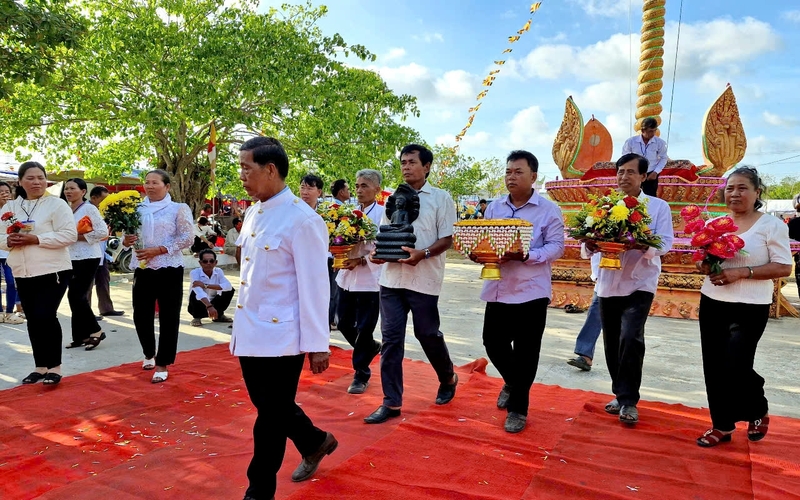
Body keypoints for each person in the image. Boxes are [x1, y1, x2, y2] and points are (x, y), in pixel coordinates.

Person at [232, 136, 336, 500]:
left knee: (270, 418)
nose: (241, 175)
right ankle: (314, 441)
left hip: (282, 335)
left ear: (271, 169)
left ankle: (258, 491)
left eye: (247, 167)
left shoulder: (303, 220)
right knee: (270, 407)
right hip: (249, 330)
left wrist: (317, 344)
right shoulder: (252, 212)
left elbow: (315, 287)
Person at [695, 167, 792, 447]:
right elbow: (703, 259)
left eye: (742, 188)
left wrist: (742, 272)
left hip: (751, 305)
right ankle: (721, 426)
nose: (735, 193)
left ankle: (757, 408)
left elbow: (784, 266)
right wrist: (703, 264)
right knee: (714, 365)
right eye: (730, 188)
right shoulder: (716, 224)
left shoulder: (771, 226)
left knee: (737, 363)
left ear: (757, 192)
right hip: (713, 301)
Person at [365, 144, 459, 424]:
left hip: (424, 278)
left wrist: (424, 253)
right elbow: (384, 234)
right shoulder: (393, 198)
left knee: (427, 333)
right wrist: (377, 253)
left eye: (412, 162)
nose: (406, 167)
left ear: (427, 166)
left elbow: (447, 238)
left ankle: (448, 377)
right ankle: (391, 403)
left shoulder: (441, 198)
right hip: (391, 279)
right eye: (403, 162)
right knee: (391, 340)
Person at [477, 150, 565, 433]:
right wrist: (478, 252)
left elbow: (556, 247)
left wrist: (527, 255)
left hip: (532, 290)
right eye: (508, 172)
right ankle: (514, 384)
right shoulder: (494, 208)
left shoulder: (548, 209)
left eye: (518, 172)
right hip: (499, 287)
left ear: (534, 177)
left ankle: (518, 409)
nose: (510, 177)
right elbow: (485, 239)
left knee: (527, 352)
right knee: (492, 342)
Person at [583, 153, 674, 425]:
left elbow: (666, 244)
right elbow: (587, 242)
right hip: (607, 281)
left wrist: (641, 244)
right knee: (612, 341)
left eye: (631, 172)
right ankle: (620, 394)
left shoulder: (657, 207)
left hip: (640, 282)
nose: (624, 177)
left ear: (644, 177)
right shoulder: (604, 205)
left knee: (631, 338)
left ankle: (629, 401)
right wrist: (590, 244)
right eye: (620, 171)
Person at [0, 162, 77, 385]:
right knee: (33, 319)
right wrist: (9, 241)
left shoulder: (57, 205)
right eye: (31, 178)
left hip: (53, 270)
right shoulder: (9, 208)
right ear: (21, 181)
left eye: (40, 178)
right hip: (23, 271)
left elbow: (69, 235)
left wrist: (37, 239)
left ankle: (55, 367)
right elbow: (0, 237)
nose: (36, 182)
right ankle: (40, 367)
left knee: (46, 316)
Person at [123, 170, 193, 384]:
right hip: (143, 267)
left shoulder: (178, 209)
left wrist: (160, 250)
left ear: (167, 186)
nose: (150, 186)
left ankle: (163, 363)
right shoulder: (135, 209)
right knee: (141, 314)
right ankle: (148, 353)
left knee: (168, 316)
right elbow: (128, 237)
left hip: (169, 267)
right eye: (147, 182)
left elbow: (187, 238)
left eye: (155, 182)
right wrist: (127, 240)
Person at [335, 169, 385, 394]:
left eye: (364, 185)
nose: (359, 190)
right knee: (343, 322)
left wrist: (362, 260)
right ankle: (371, 347)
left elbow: (383, 248)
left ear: (376, 189)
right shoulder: (346, 213)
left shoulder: (383, 215)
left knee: (365, 327)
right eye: (356, 186)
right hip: (346, 276)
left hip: (370, 280)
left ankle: (361, 373)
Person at [62, 178, 109, 350]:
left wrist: (75, 237)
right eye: (66, 188)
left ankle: (96, 331)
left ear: (82, 192)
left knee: (76, 295)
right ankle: (80, 336)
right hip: (70, 258)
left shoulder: (88, 208)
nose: (68, 191)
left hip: (88, 257)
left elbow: (103, 232)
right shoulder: (66, 210)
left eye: (72, 188)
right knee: (74, 297)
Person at [87, 186, 124, 317]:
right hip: (88, 252)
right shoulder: (86, 210)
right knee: (88, 284)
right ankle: (87, 313)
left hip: (101, 252)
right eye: (103, 199)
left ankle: (106, 308)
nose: (106, 203)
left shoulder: (103, 211)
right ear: (94, 198)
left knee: (103, 279)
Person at [566, 253, 602, 371]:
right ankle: (585, 355)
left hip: (633, 281)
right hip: (605, 279)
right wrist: (596, 274)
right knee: (594, 314)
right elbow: (595, 250)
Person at [621, 117, 668, 197]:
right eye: (650, 131)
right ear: (643, 130)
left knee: (650, 198)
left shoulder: (660, 143)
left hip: (651, 174)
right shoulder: (631, 142)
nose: (653, 134)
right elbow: (625, 158)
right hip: (635, 173)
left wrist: (655, 172)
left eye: (654, 131)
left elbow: (663, 158)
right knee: (631, 197)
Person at [188, 248, 234, 327]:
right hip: (200, 303)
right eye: (205, 261)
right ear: (200, 263)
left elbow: (228, 286)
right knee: (195, 292)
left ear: (216, 262)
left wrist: (205, 285)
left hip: (215, 301)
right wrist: (209, 306)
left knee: (229, 291)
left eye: (211, 261)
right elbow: (199, 292)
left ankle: (219, 315)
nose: (208, 263)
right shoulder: (194, 273)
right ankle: (197, 317)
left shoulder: (218, 271)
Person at [0, 182, 24, 324]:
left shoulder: (14, 210)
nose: (4, 193)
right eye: (1, 191)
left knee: (10, 281)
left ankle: (10, 312)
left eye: (6, 191)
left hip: (8, 252)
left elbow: (20, 228)